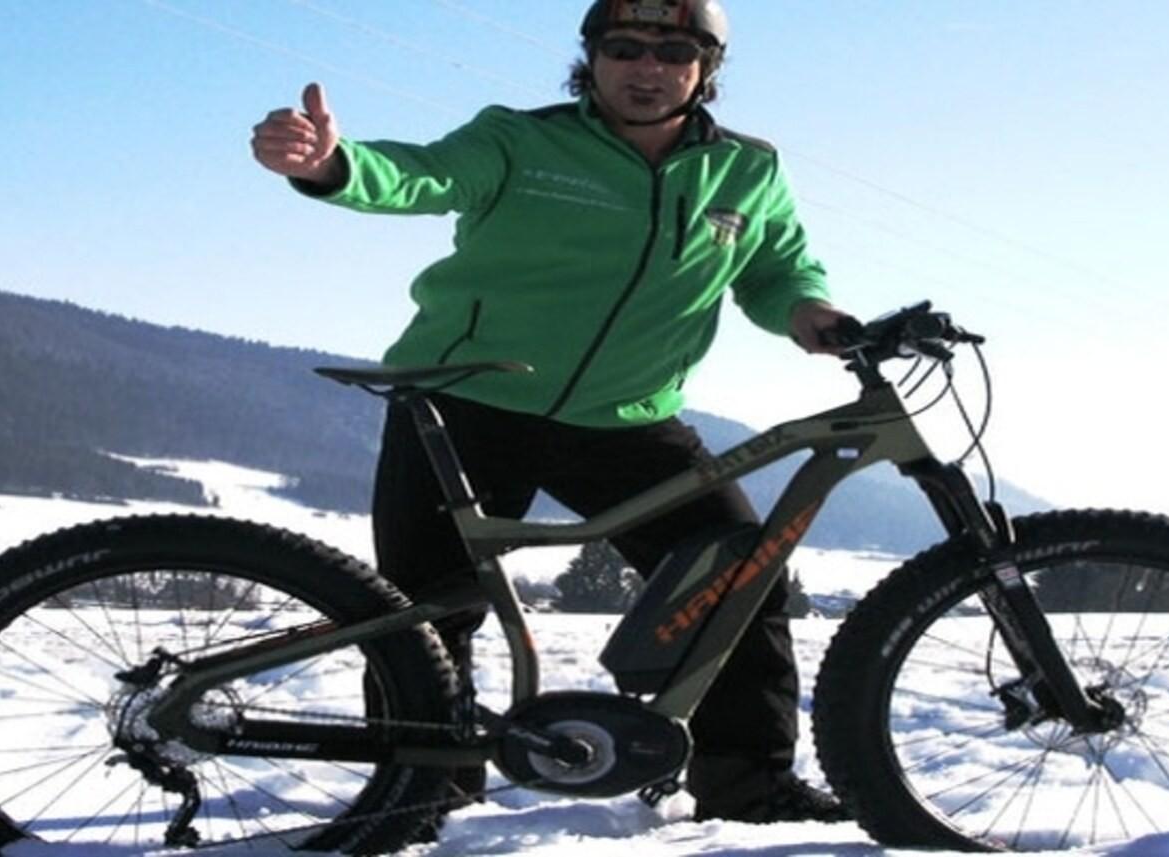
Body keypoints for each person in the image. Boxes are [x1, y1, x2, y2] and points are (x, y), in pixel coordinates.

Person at [251, 0, 852, 827]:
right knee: (429, 611)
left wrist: (811, 314)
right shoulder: (519, 139)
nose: (646, 68)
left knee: (738, 581)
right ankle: (420, 796)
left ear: (705, 67)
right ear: (592, 58)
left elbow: (777, 270)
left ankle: (750, 787)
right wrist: (331, 165)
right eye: (624, 48)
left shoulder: (747, 171)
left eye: (672, 51)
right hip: (467, 400)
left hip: (630, 421)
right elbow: (422, 175)